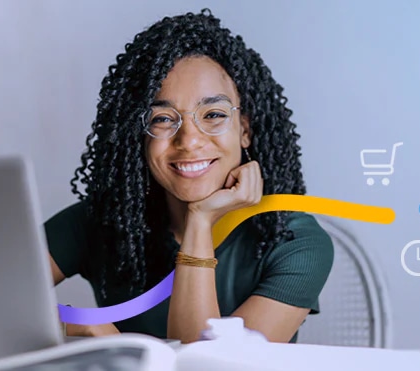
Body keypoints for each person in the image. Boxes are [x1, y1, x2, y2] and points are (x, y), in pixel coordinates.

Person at [44, 8, 334, 344]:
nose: (189, 140)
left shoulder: (297, 242)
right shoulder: (102, 220)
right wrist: (78, 321)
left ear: (245, 130)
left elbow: (208, 363)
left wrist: (200, 220)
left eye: (213, 114)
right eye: (162, 119)